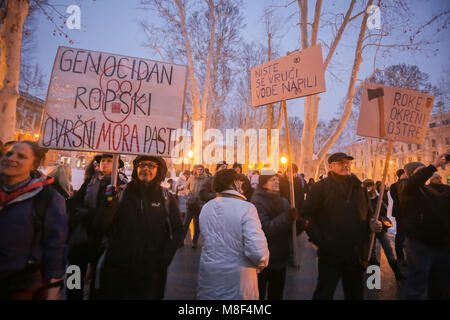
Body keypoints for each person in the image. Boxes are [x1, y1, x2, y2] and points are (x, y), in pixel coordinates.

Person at [98, 156, 184, 299]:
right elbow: (103, 227)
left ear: (159, 170)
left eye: (151, 166)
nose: (145, 168)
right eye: (142, 165)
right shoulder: (121, 193)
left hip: (151, 271)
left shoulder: (166, 198)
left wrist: (164, 259)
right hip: (120, 268)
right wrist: (108, 204)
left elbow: (177, 231)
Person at [301, 152, 382, 300]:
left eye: (348, 162)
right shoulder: (320, 188)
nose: (346, 165)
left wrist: (373, 223)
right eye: (341, 163)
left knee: (355, 294)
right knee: (324, 293)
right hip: (331, 253)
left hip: (355, 253)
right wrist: (321, 241)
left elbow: (369, 213)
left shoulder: (360, 188)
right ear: (331, 166)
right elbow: (307, 216)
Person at [0, 141, 68, 300]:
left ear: (34, 165)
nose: (11, 158)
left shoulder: (48, 199)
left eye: (21, 156)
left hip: (20, 286)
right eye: (9, 153)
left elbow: (55, 249)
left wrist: (52, 290)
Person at [197, 169, 269, 300]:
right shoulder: (247, 208)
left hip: (210, 278)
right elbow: (258, 252)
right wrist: (262, 263)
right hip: (238, 283)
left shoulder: (206, 208)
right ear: (234, 183)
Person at [67, 153, 127, 300]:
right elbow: (75, 202)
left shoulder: (122, 185)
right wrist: (85, 213)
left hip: (104, 239)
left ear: (117, 165)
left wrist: (90, 213)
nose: (105, 164)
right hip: (83, 236)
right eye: (103, 161)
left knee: (99, 278)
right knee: (74, 272)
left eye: (109, 161)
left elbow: (113, 212)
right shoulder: (90, 181)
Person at [397, 156, 450, 300]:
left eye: (425, 170)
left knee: (440, 287)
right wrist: (432, 166)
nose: (426, 173)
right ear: (410, 175)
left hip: (440, 244)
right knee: (417, 287)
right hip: (419, 244)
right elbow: (414, 182)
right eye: (420, 171)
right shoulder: (406, 187)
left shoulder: (430, 189)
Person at [251, 169, 306, 300]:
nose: (276, 182)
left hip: (280, 259)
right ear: (264, 183)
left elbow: (289, 232)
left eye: (277, 179)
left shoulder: (284, 202)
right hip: (262, 259)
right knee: (258, 294)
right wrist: (287, 217)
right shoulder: (257, 203)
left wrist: (299, 224)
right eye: (272, 179)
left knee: (276, 295)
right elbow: (267, 229)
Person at [363, 179, 405, 282]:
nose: (368, 189)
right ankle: (374, 279)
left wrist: (378, 219)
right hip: (369, 230)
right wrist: (369, 220)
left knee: (389, 251)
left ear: (373, 186)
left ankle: (398, 274)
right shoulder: (363, 200)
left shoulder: (378, 199)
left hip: (381, 229)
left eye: (370, 186)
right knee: (371, 253)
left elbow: (384, 212)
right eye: (366, 187)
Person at [184, 164, 208, 248]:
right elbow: (185, 188)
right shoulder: (191, 178)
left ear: (203, 170)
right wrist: (188, 193)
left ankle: (195, 241)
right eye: (198, 169)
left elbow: (208, 191)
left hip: (200, 204)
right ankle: (180, 241)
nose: (199, 170)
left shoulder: (206, 179)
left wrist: (203, 197)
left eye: (201, 169)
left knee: (197, 224)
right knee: (186, 222)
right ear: (196, 170)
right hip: (191, 203)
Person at [389, 169, 408, 264]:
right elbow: (396, 198)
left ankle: (406, 257)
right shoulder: (394, 186)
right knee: (400, 235)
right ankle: (400, 257)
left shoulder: (405, 184)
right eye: (406, 173)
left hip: (405, 213)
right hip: (400, 213)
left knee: (407, 235)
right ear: (402, 174)